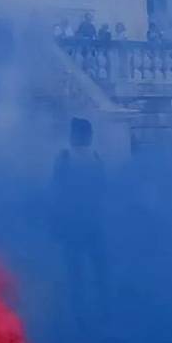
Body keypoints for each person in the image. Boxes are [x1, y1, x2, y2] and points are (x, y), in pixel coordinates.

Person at [52, 117, 109, 324]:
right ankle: (99, 311)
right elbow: (103, 187)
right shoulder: (93, 157)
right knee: (96, 269)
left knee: (78, 271)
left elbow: (56, 190)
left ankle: (84, 314)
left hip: (79, 222)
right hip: (87, 222)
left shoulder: (66, 157)